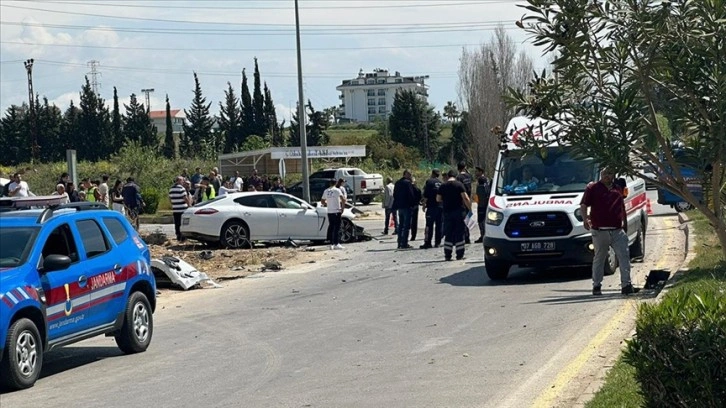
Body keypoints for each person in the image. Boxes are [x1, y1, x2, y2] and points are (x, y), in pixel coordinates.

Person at [580, 167, 633, 296]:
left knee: (624, 257)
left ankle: (626, 285)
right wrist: (585, 219)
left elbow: (621, 206)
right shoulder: (592, 188)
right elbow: (584, 205)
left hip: (617, 230)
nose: (606, 176)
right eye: (604, 174)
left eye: (609, 173)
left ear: (613, 175)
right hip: (600, 231)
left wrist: (624, 224)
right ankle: (597, 285)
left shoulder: (618, 187)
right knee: (599, 258)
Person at [438, 169, 472, 261]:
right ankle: (459, 255)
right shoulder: (459, 185)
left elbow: (438, 199)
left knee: (448, 233)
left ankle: (447, 255)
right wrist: (470, 208)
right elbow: (465, 197)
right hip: (459, 212)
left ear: (448, 176)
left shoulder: (443, 185)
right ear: (456, 176)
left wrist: (446, 200)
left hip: (447, 212)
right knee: (459, 233)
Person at [393, 169, 416, 250]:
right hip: (407, 207)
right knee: (406, 226)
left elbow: (394, 195)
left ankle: (399, 242)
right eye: (409, 174)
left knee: (400, 226)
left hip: (400, 207)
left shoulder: (397, 183)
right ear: (405, 174)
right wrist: (413, 204)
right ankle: (404, 243)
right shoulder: (408, 183)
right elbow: (411, 194)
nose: (410, 176)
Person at [421, 169, 443, 249]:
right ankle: (438, 242)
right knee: (439, 225)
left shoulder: (429, 182)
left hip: (431, 207)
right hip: (440, 207)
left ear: (432, 174)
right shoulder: (441, 183)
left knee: (429, 225)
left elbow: (426, 195)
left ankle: (427, 242)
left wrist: (423, 205)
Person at [321, 179, 346, 250]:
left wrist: (327, 203)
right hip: (336, 210)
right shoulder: (337, 190)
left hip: (330, 211)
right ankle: (336, 243)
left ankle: (331, 243)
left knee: (331, 227)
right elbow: (343, 199)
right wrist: (342, 208)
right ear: (335, 183)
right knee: (337, 227)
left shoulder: (326, 191)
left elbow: (322, 201)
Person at [169, 176, 192, 241]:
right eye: (182, 181)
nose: (183, 182)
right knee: (183, 224)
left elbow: (170, 199)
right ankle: (183, 238)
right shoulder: (181, 188)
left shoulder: (171, 189)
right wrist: (189, 205)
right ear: (179, 181)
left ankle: (178, 236)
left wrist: (173, 204)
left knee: (177, 224)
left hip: (175, 209)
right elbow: (185, 198)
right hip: (182, 209)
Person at [456, 162, 473, 244]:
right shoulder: (469, 176)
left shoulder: (458, 177)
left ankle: (464, 237)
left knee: (462, 220)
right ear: (465, 167)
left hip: (462, 200)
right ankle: (468, 237)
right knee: (468, 219)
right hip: (469, 199)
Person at [474, 166, 491, 243]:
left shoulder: (482, 180)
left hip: (482, 204)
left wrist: (477, 200)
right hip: (486, 203)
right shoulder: (487, 180)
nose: (476, 173)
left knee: (481, 220)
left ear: (481, 171)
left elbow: (479, 194)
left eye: (477, 171)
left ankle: (483, 235)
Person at [410, 177, 422, 241]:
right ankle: (413, 235)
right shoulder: (418, 189)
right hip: (415, 206)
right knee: (414, 222)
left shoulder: (408, 189)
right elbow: (420, 198)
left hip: (409, 206)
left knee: (408, 221)